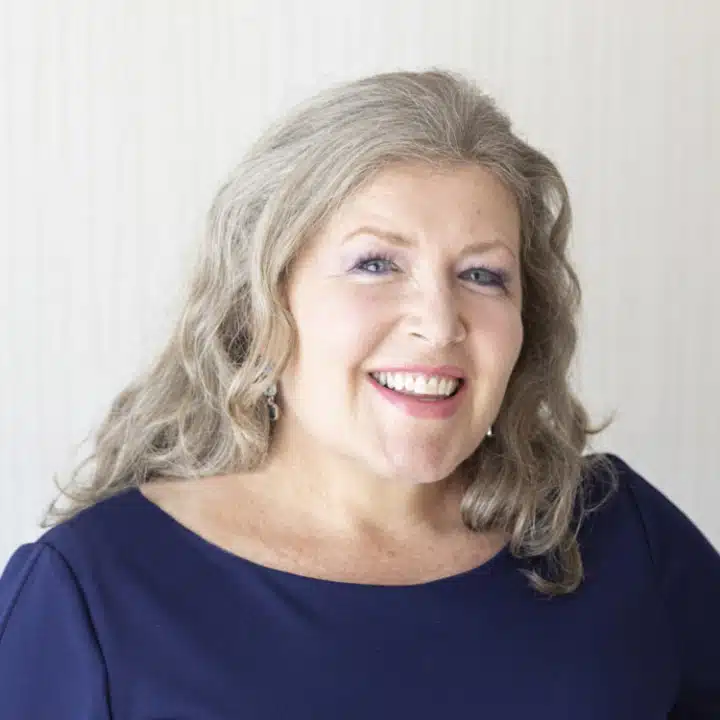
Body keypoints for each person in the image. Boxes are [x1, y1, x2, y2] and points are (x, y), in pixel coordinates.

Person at [1, 68, 718, 718]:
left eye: (483, 275)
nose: (439, 325)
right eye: (376, 263)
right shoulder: (90, 594)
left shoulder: (618, 536)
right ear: (264, 299)